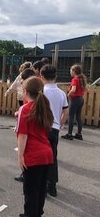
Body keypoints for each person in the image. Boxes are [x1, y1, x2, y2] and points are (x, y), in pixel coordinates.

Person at [9, 76, 54, 217]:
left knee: (30, 191)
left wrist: (20, 155)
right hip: (47, 153)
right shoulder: (44, 107)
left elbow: (23, 134)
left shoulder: (26, 109)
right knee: (40, 189)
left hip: (34, 154)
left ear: (26, 91)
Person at [41, 65, 69, 197]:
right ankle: (52, 185)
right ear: (55, 76)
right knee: (53, 156)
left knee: (42, 157)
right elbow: (66, 112)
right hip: (55, 128)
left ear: (41, 77)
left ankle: (43, 183)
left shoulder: (42, 92)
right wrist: (60, 124)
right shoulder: (62, 93)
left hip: (43, 127)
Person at [14, 67, 36, 183]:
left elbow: (23, 133)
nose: (21, 82)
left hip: (30, 137)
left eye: (22, 80)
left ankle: (25, 173)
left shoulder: (29, 100)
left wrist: (20, 154)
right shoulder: (36, 98)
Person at [61, 64, 87, 140]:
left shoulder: (75, 79)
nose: (70, 72)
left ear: (74, 71)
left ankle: (69, 134)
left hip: (75, 99)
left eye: (70, 71)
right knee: (78, 117)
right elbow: (85, 89)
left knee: (71, 116)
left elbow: (73, 89)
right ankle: (79, 134)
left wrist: (68, 94)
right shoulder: (81, 79)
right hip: (81, 99)